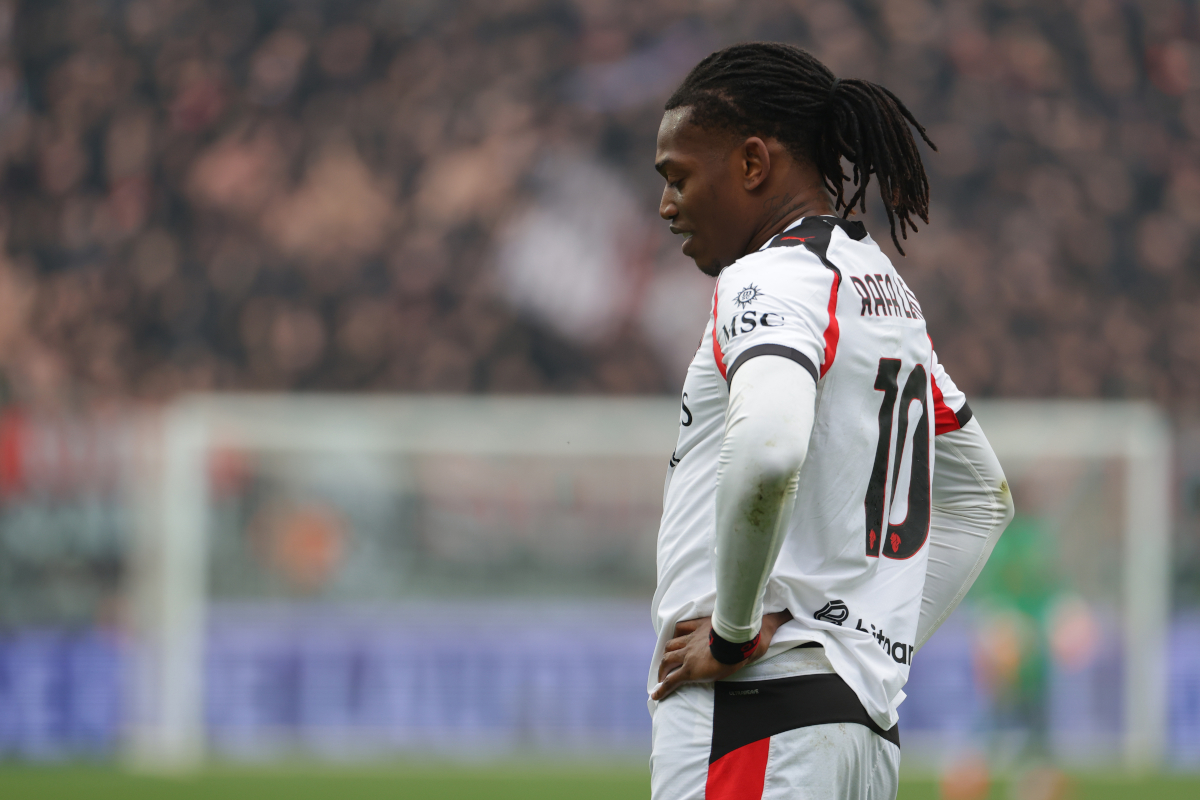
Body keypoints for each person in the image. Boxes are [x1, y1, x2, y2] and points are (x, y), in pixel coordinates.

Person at [647, 42, 1014, 800]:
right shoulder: (883, 292)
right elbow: (982, 499)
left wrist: (734, 633)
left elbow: (770, 448)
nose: (667, 205)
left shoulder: (771, 278)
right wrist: (862, 644)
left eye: (678, 176)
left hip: (755, 719)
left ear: (752, 164)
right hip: (857, 732)